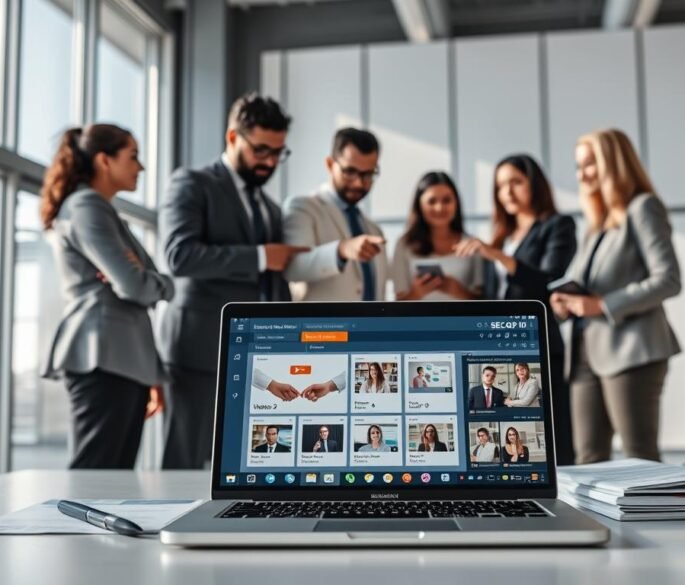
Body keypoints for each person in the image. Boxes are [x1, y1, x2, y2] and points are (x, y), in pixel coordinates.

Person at [158, 93, 308, 469]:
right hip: (197, 351)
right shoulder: (192, 183)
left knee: (244, 464)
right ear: (231, 137)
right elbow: (179, 255)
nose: (270, 161)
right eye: (260, 150)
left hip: (257, 358)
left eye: (278, 152)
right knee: (185, 464)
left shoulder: (270, 208)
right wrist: (260, 256)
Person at [39, 124, 174, 469]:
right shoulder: (87, 207)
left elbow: (140, 278)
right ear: (104, 160)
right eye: (132, 157)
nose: (140, 167)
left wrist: (147, 279)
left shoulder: (101, 209)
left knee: (113, 478)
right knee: (94, 475)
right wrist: (156, 283)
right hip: (102, 354)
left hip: (122, 357)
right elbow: (134, 285)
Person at [550, 128, 681, 465]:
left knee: (640, 455)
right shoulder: (597, 224)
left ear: (614, 162)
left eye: (590, 164)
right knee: (587, 458)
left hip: (631, 352)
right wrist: (567, 303)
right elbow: (587, 286)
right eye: (578, 166)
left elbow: (668, 279)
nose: (582, 174)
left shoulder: (643, 209)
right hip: (584, 354)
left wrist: (603, 305)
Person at [455, 154, 576, 465]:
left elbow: (547, 279)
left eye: (515, 183)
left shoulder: (556, 226)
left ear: (534, 184)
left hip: (541, 341)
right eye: (500, 186)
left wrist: (495, 255)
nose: (507, 192)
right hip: (500, 344)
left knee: (554, 433)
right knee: (504, 420)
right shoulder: (501, 237)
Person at [283, 128, 387, 301]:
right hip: (323, 327)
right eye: (350, 172)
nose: (359, 183)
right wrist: (342, 250)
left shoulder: (374, 230)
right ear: (330, 164)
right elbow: (294, 268)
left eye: (368, 174)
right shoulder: (302, 208)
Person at [392, 172, 483, 300]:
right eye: (431, 201)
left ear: (456, 203)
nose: (439, 208)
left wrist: (457, 290)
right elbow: (398, 304)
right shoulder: (404, 244)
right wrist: (417, 293)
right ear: (419, 205)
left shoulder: (471, 244)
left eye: (446, 200)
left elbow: (483, 302)